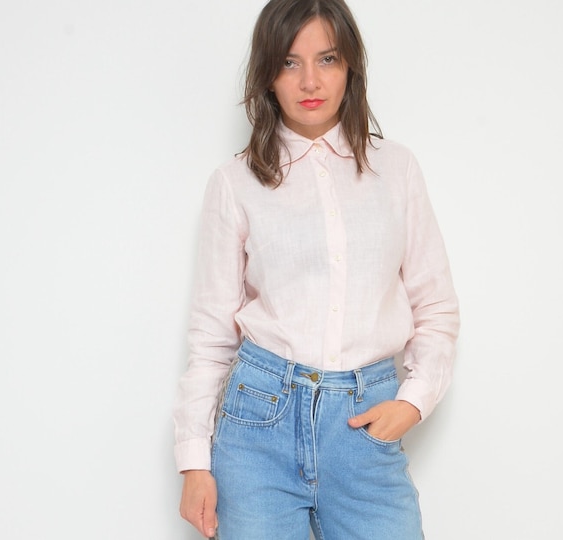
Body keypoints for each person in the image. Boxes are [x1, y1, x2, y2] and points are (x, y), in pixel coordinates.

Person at [174, 0, 459, 538]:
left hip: (365, 424)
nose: (310, 81)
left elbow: (435, 306)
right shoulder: (235, 182)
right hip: (257, 429)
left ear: (350, 65)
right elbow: (211, 335)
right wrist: (193, 460)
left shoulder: (396, 169)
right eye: (289, 62)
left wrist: (413, 401)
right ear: (267, 75)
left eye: (327, 59)